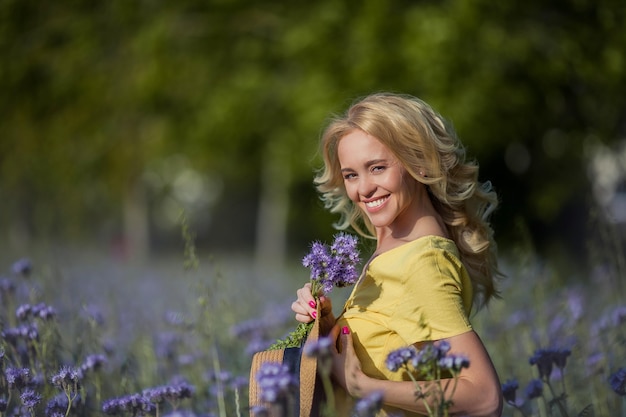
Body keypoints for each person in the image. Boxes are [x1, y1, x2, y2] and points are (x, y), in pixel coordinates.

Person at [291, 92, 503, 416]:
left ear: (419, 161)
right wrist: (327, 323)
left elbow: (484, 396)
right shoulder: (395, 250)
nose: (363, 189)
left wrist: (361, 386)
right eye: (351, 175)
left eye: (377, 168)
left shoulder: (422, 262)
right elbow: (396, 346)